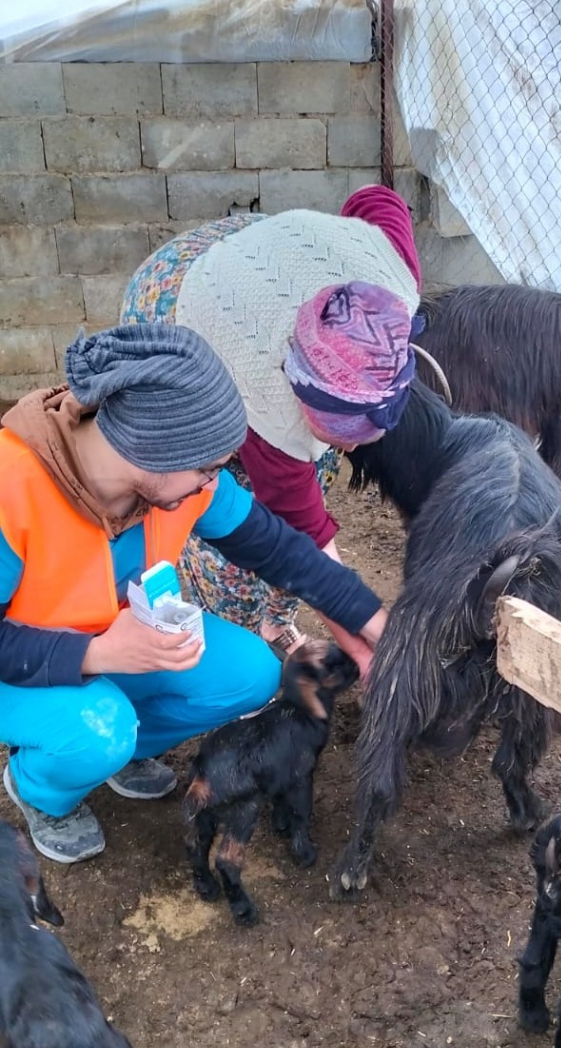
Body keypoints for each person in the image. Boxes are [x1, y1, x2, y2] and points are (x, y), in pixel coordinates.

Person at [0, 324, 387, 865]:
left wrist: (377, 625)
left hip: (121, 639)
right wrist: (96, 654)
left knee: (251, 672)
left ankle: (124, 750)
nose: (213, 484)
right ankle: (41, 789)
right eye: (208, 469)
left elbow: (281, 551)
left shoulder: (175, 482)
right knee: (99, 733)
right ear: (153, 452)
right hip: (21, 668)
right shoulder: (10, 487)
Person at [121, 185, 423, 667]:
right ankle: (235, 630)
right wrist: (367, 652)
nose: (348, 451)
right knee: (224, 504)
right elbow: (304, 540)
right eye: (336, 434)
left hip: (271, 256)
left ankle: (275, 619)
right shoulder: (264, 400)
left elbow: (376, 199)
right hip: (180, 295)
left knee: (313, 475)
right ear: (297, 391)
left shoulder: (391, 294)